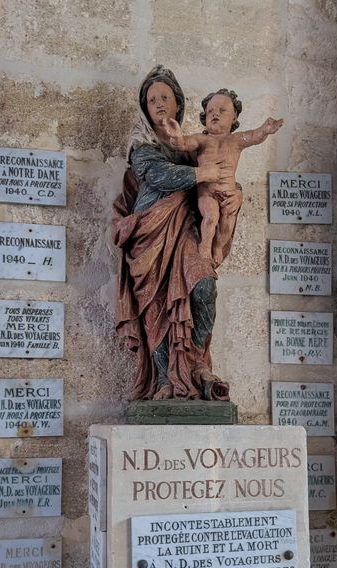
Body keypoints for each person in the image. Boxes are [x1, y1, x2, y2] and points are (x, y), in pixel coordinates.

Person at [113, 66, 242, 402]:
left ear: (177, 105)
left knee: (203, 287)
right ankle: (163, 381)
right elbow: (157, 175)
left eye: (165, 98)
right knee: (154, 307)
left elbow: (219, 180)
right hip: (149, 237)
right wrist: (200, 173)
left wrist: (232, 194)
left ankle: (196, 362)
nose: (158, 104)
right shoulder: (141, 146)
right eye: (152, 99)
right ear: (144, 106)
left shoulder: (193, 147)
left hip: (185, 231)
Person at [161, 89, 283, 265]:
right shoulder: (202, 140)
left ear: (234, 117)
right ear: (204, 117)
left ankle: (218, 246)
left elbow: (254, 136)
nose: (215, 114)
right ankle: (205, 245)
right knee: (211, 217)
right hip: (207, 192)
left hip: (228, 194)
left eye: (222, 110)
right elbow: (184, 144)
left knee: (227, 224)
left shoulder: (236, 140)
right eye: (210, 111)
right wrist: (176, 137)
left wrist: (265, 129)